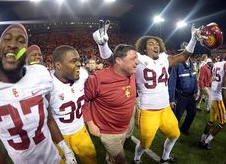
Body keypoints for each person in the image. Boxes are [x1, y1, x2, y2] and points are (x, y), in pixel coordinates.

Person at [92, 20, 202, 163]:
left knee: (175, 134)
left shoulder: (164, 58)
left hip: (166, 109)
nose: (155, 45)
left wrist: (193, 39)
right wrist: (103, 45)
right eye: (151, 43)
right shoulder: (139, 59)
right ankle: (137, 159)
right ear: (144, 49)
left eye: (156, 43)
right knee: (145, 144)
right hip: (148, 111)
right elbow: (114, 60)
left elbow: (183, 56)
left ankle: (165, 157)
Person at [0, 24, 76, 164]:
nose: (12, 44)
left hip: (53, 159)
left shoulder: (40, 74)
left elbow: (48, 118)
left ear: (25, 54)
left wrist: (65, 148)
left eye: (21, 40)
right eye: (7, 39)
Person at [82, 44, 138, 164]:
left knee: (113, 157)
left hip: (126, 126)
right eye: (133, 59)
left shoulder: (132, 73)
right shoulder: (98, 79)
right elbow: (84, 101)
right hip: (109, 132)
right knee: (121, 160)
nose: (137, 62)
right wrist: (90, 123)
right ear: (118, 60)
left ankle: (109, 160)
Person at [50, 45, 97, 164]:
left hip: (80, 129)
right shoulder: (48, 85)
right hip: (59, 135)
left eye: (79, 60)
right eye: (73, 61)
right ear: (58, 65)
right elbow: (46, 118)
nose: (78, 64)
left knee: (91, 157)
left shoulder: (83, 75)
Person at [168, 42, 198, 135]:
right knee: (177, 116)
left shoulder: (192, 64)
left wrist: (196, 90)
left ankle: (184, 129)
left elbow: (194, 77)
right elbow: (172, 82)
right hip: (181, 96)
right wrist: (172, 99)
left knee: (192, 113)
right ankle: (172, 132)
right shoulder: (177, 65)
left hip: (190, 96)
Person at [199, 59, 226, 149]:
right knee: (223, 122)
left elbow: (212, 78)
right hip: (218, 97)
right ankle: (206, 142)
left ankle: (202, 140)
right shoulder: (224, 65)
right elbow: (224, 86)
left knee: (211, 120)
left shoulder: (217, 64)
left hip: (213, 94)